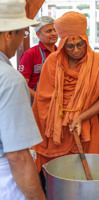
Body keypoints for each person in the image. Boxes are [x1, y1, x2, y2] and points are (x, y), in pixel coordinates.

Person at [32, 11, 99, 180]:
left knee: (86, 177)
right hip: (57, 134)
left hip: (87, 129)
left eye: (80, 45)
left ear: (86, 41)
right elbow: (43, 101)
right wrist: (59, 120)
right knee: (59, 179)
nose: (76, 50)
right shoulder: (52, 62)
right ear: (62, 45)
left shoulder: (97, 61)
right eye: (70, 46)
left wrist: (80, 118)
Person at [0, 0, 46, 199]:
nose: (22, 38)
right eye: (23, 32)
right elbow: (18, 156)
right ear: (9, 33)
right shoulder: (10, 79)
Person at [18, 16, 58, 101]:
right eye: (49, 31)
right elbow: (22, 85)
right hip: (36, 104)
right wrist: (40, 101)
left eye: (55, 30)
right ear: (38, 34)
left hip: (57, 103)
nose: (54, 33)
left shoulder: (61, 53)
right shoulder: (30, 54)